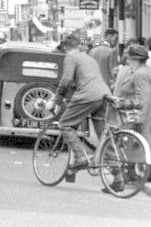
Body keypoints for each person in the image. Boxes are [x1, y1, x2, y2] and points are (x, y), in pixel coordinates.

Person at [53, 35, 125, 191]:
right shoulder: (89, 59)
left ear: (65, 48)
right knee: (103, 135)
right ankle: (118, 178)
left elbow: (66, 80)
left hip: (87, 95)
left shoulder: (71, 58)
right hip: (103, 94)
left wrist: (57, 100)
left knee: (65, 125)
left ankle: (79, 156)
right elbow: (86, 78)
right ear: (79, 46)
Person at [113, 45, 151, 182]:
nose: (127, 62)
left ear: (135, 59)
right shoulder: (147, 71)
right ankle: (149, 172)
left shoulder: (140, 74)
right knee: (149, 141)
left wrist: (139, 120)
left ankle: (129, 173)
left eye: (129, 59)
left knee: (133, 142)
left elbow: (143, 97)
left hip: (146, 112)